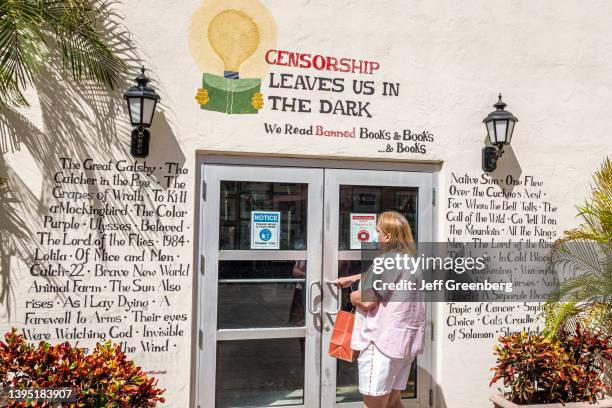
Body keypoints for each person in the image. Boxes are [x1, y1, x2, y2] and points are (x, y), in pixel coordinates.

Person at [334, 211, 426, 408]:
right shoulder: (410, 260)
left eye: (377, 231)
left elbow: (367, 301)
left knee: (374, 404)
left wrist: (351, 294)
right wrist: (353, 278)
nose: (375, 235)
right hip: (403, 344)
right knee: (393, 402)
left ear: (388, 235)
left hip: (381, 345)